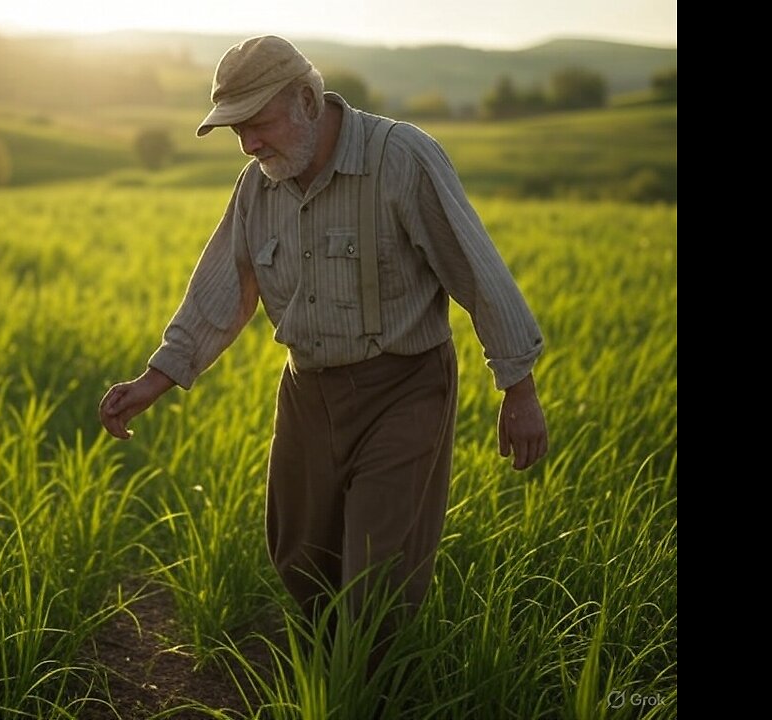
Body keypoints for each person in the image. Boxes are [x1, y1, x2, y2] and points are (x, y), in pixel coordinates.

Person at [98, 35, 547, 638]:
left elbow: (477, 272)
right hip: (308, 394)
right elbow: (226, 288)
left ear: (307, 100)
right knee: (299, 557)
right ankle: (331, 664)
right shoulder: (258, 185)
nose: (249, 144)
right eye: (237, 131)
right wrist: (154, 381)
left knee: (376, 576)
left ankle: (370, 689)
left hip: (404, 389)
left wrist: (518, 389)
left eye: (257, 123)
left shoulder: (401, 159)